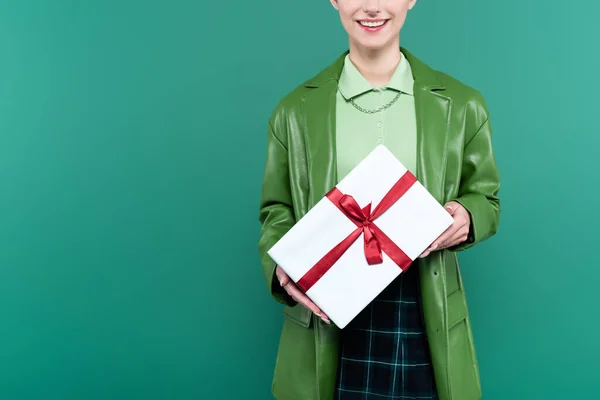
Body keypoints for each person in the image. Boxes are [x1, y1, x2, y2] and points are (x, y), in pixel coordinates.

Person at [257, 0, 501, 399]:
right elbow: (276, 210)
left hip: (422, 306)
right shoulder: (293, 111)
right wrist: (279, 266)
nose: (371, 6)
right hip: (330, 311)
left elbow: (487, 199)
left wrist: (468, 215)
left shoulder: (462, 105)